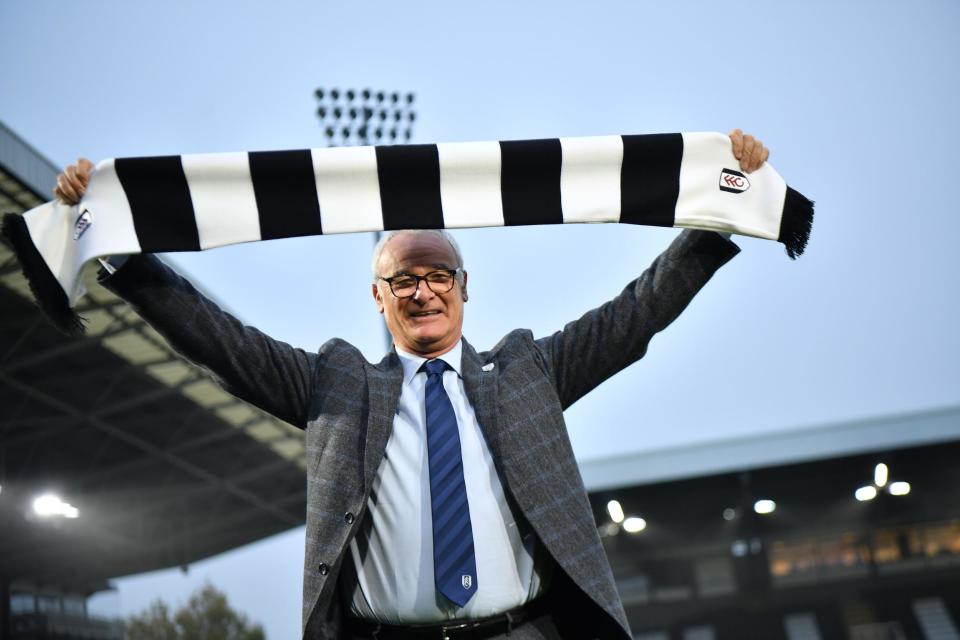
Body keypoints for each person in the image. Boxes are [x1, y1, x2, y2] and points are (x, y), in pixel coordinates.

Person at [55, 130, 770, 639]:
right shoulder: (337, 385)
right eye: (403, 278)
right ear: (378, 296)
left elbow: (635, 313)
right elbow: (221, 341)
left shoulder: (528, 372)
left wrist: (719, 211)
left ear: (464, 289)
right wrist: (117, 248)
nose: (422, 291)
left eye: (437, 276)